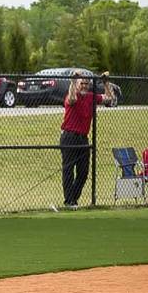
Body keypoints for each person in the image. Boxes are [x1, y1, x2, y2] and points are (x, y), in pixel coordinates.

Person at [59, 71, 114, 208]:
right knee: (68, 170)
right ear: (77, 85)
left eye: (86, 83)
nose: (84, 86)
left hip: (83, 138)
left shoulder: (91, 97)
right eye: (81, 83)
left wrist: (106, 82)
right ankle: (69, 201)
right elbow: (71, 99)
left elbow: (109, 98)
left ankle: (73, 199)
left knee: (83, 172)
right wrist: (73, 80)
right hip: (69, 137)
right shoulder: (72, 95)